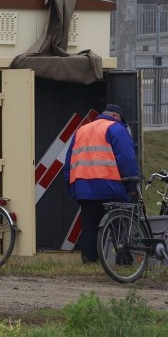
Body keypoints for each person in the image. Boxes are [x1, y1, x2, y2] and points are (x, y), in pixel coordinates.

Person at [63, 104, 139, 264]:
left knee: (89, 226)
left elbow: (69, 162)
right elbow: (126, 159)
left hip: (84, 188)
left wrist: (72, 187)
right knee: (118, 225)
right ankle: (123, 261)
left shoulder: (81, 131)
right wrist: (131, 185)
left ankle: (90, 260)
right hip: (110, 186)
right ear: (116, 116)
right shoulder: (116, 128)